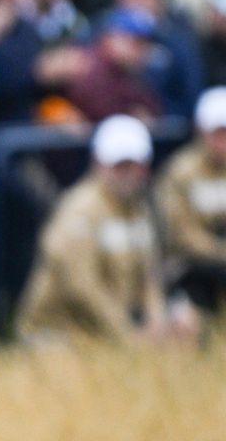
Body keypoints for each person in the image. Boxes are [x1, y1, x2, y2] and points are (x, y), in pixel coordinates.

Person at [18, 115, 168, 342]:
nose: (127, 174)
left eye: (133, 165)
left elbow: (149, 273)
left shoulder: (140, 208)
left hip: (110, 328)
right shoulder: (79, 210)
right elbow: (82, 286)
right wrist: (128, 335)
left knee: (183, 325)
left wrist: (157, 320)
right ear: (98, 163)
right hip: (60, 332)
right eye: (119, 165)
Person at [155, 87, 226, 314]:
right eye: (218, 132)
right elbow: (181, 234)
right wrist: (220, 252)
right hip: (191, 266)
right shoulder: (180, 173)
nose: (223, 141)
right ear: (200, 131)